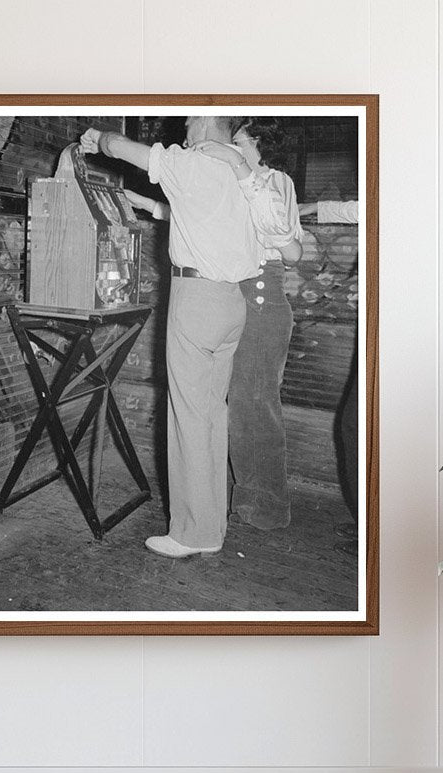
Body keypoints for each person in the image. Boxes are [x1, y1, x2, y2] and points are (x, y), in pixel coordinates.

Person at [79, 117, 262, 558]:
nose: (185, 128)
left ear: (205, 121)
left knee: (188, 418)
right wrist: (142, 202)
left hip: (196, 299)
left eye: (190, 120)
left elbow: (122, 148)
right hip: (232, 301)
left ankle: (190, 534)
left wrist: (98, 138)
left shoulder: (193, 162)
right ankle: (211, 527)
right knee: (211, 415)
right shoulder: (244, 172)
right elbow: (190, 215)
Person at [192, 119, 305, 530]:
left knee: (254, 407)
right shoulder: (244, 182)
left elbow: (285, 244)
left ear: (257, 143)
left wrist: (235, 165)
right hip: (240, 294)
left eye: (237, 141)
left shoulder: (273, 181)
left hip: (261, 296)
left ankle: (266, 508)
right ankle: (253, 501)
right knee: (245, 406)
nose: (232, 147)